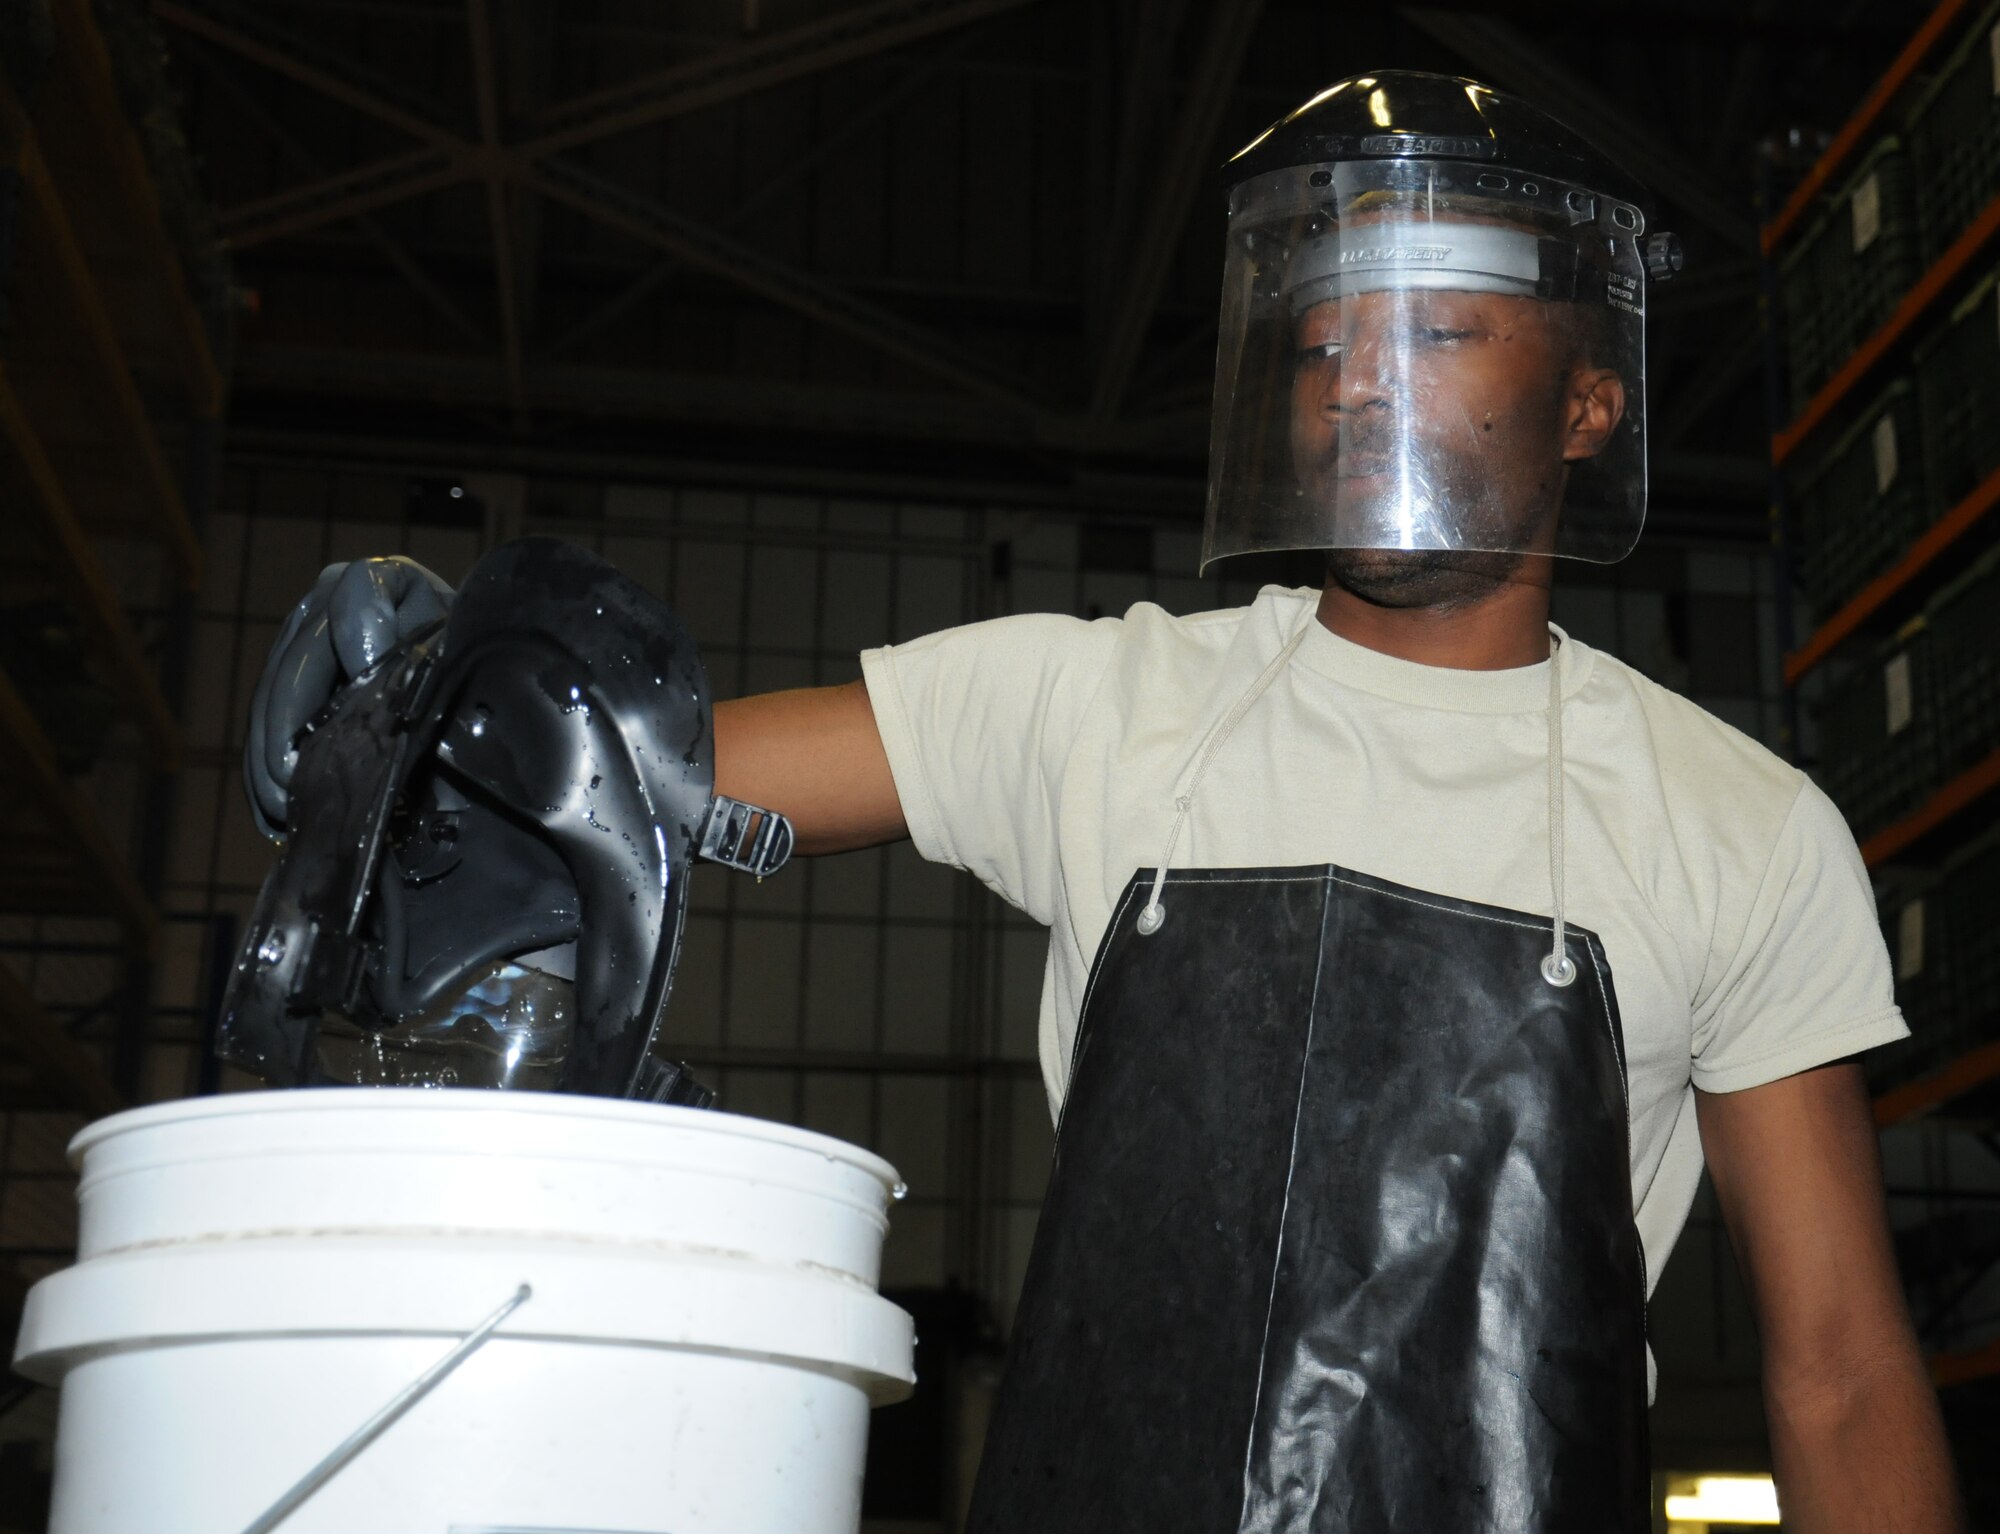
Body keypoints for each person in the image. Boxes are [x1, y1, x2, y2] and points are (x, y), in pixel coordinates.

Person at [245, 72, 1961, 1533]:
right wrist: (444, 681)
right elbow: (622, 763)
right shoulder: (1103, 699)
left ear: (1591, 402)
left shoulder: (1738, 822)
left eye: (1436, 324)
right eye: (1328, 334)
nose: (1361, 377)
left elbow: (1837, 1369)